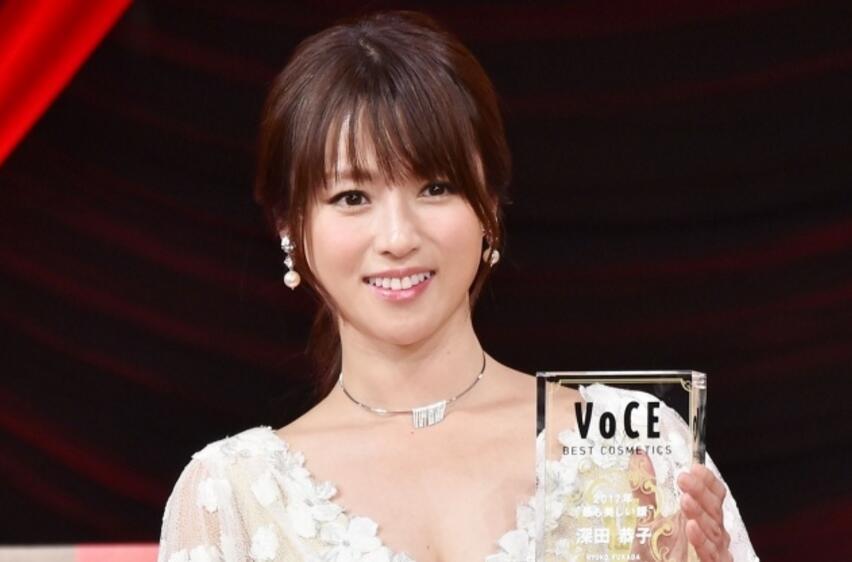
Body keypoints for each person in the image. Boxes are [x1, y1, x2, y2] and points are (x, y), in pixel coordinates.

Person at [157, 11, 758, 562]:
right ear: (291, 226)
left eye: (435, 188)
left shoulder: (633, 444)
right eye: (352, 197)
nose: (398, 237)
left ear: (489, 206)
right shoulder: (232, 497)